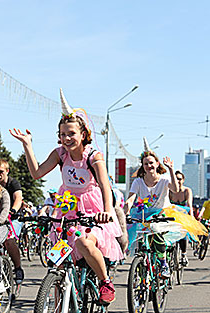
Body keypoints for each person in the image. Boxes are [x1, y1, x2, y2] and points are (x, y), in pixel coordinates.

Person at [10, 89, 123, 304]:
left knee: (84, 244)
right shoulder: (60, 153)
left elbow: (104, 186)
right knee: (58, 256)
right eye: (62, 134)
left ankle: (105, 281)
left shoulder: (93, 156)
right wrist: (27, 145)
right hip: (66, 204)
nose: (67, 138)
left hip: (92, 207)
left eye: (71, 133)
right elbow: (36, 173)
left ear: (83, 134)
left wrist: (107, 211)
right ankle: (61, 296)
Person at [124, 147, 180, 278]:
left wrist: (171, 169)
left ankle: (163, 263)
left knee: (155, 229)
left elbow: (176, 189)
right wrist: (125, 211)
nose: (149, 166)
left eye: (151, 163)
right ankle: (141, 263)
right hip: (144, 213)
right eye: (145, 164)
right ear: (142, 166)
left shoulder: (164, 179)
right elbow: (131, 198)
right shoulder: (138, 181)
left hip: (162, 213)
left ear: (157, 164)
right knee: (137, 232)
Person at [0, 159, 24, 284]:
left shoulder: (13, 183)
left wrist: (12, 211)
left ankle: (18, 268)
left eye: (1, 172)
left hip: (14, 217)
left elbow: (18, 198)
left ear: (7, 171)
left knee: (8, 240)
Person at [169, 170, 193, 266]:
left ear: (183, 180)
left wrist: (191, 217)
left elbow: (189, 205)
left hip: (183, 215)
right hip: (172, 215)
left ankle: (183, 254)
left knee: (182, 234)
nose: (177, 181)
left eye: (179, 179)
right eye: (175, 179)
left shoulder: (187, 191)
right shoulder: (170, 190)